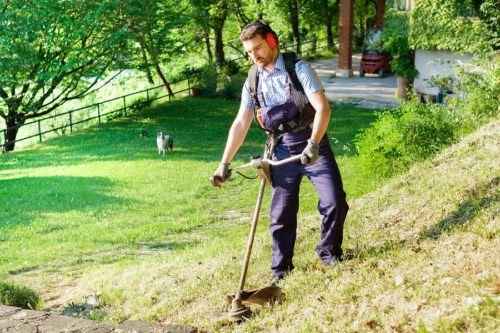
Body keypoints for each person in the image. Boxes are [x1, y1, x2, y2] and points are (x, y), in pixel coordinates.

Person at [211, 20, 349, 285]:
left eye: (258, 48)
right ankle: (281, 270)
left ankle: (329, 253)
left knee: (335, 202)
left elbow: (323, 108)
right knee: (281, 215)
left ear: (272, 41)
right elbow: (242, 122)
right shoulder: (253, 80)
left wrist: (314, 143)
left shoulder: (299, 69)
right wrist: (224, 163)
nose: (255, 56)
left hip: (312, 143)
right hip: (280, 149)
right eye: (249, 52)